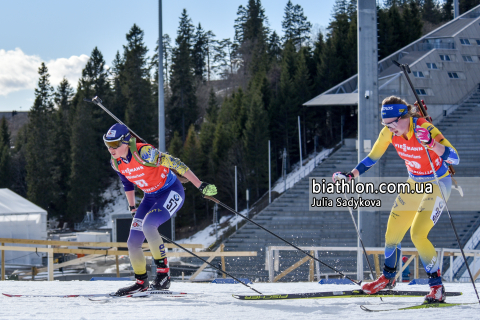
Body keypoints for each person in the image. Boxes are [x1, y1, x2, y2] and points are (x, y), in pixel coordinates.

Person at [333, 96, 459, 304]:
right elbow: (372, 157)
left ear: (405, 117)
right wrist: (350, 175)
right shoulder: (388, 134)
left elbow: (454, 157)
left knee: (418, 234)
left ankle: (437, 287)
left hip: (438, 183)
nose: (390, 128)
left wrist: (431, 143)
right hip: (414, 183)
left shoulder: (424, 128)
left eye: (392, 123)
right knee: (392, 233)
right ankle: (388, 278)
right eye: (385, 124)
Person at [103, 123, 217, 296]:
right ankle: (141, 282)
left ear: (126, 141)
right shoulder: (115, 162)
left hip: (171, 191)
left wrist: (200, 185)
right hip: (150, 197)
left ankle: (163, 276)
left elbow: (176, 163)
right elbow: (127, 183)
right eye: (107, 144)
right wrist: (132, 207)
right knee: (133, 242)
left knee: (149, 226)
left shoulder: (145, 153)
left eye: (114, 144)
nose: (111, 149)